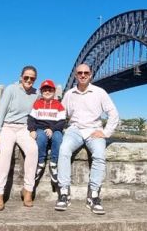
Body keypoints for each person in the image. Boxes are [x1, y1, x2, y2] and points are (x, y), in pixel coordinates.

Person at [55, 63, 119, 215]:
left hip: (94, 130)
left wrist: (106, 132)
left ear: (90, 75)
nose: (83, 75)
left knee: (99, 155)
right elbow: (60, 114)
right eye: (80, 73)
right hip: (75, 130)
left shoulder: (100, 92)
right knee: (63, 150)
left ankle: (94, 195)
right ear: (76, 75)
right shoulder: (69, 94)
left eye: (86, 73)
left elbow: (113, 113)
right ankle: (64, 192)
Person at [0, 65, 38, 211]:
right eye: (26, 77)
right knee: (5, 153)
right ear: (21, 77)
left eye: (32, 78)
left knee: (33, 150)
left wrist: (35, 130)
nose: (29, 80)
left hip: (24, 129)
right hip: (8, 126)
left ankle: (28, 190)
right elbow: (1, 111)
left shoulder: (37, 94)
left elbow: (40, 113)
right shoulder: (11, 89)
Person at [28, 79, 66, 183]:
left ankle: (53, 163)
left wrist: (52, 129)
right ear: (41, 92)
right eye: (44, 90)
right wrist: (31, 130)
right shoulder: (37, 104)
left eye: (50, 90)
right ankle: (41, 162)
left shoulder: (59, 105)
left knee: (58, 138)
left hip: (55, 129)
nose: (47, 92)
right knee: (40, 138)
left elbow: (62, 122)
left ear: (54, 91)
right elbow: (31, 119)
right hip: (40, 128)